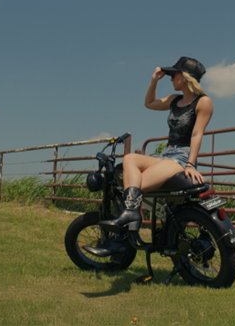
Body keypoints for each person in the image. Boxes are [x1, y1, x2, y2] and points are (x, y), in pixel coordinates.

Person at [84, 57, 213, 257]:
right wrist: (154, 80)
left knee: (136, 186)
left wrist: (190, 164)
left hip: (181, 158)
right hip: (166, 155)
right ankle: (130, 218)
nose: (170, 78)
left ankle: (121, 237)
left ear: (186, 77)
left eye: (173, 74)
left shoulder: (203, 102)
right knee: (129, 160)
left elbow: (197, 134)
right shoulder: (174, 100)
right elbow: (149, 103)